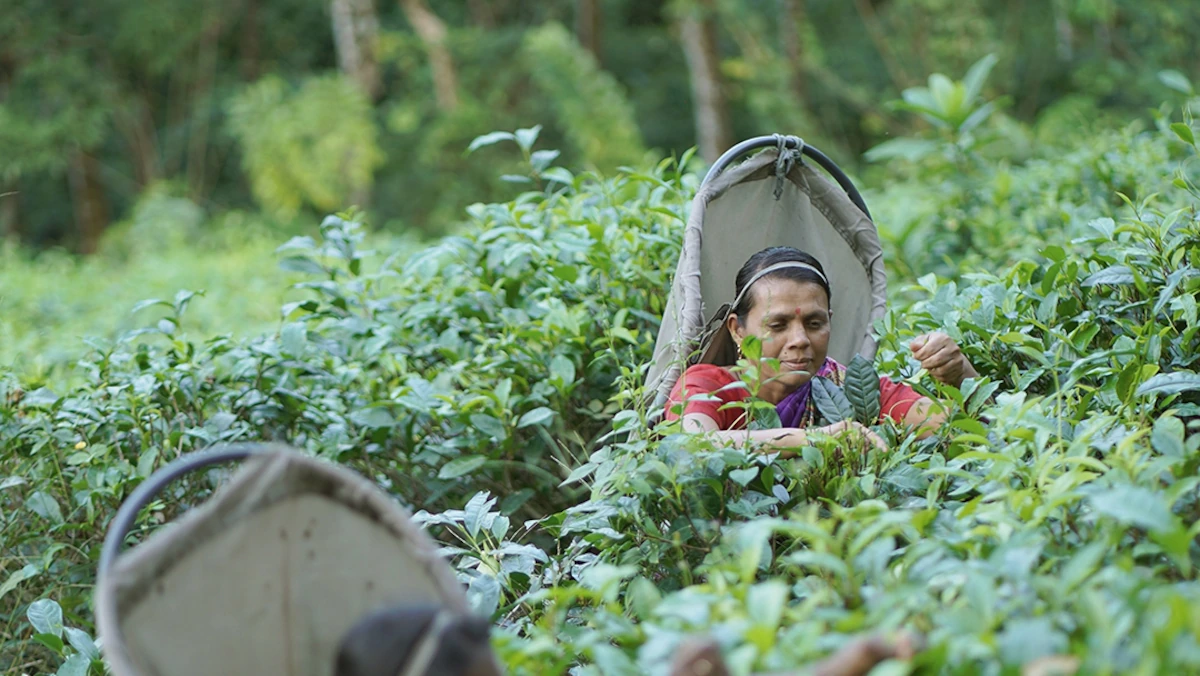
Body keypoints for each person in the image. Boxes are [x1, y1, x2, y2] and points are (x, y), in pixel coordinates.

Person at [664, 246, 978, 454]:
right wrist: (815, 440)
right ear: (738, 330)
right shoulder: (706, 386)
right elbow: (692, 446)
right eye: (778, 325)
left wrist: (960, 373)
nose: (800, 339)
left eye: (814, 323)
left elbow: (966, 430)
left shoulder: (854, 391)